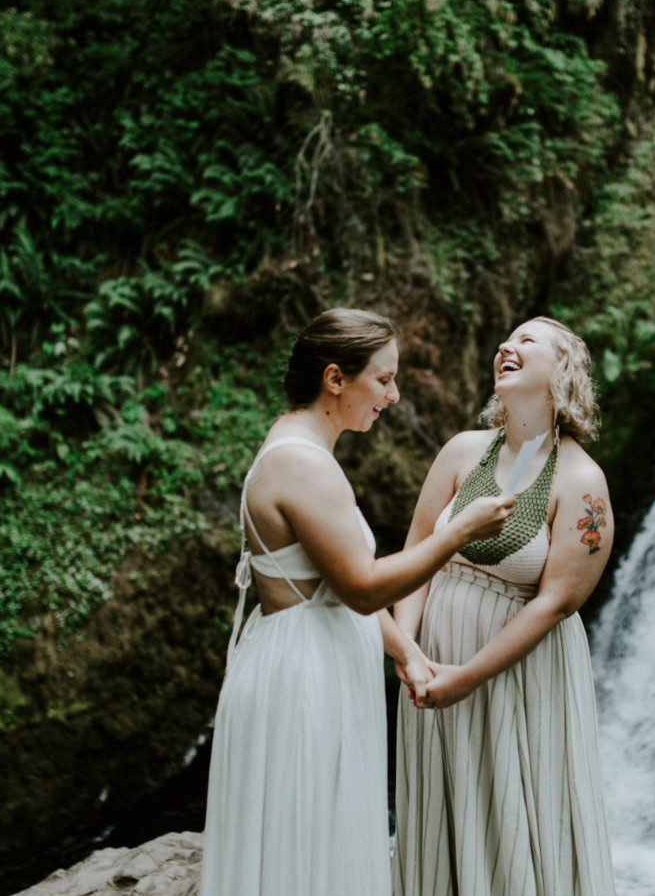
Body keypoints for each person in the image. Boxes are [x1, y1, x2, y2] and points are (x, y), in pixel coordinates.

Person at [199, 308, 515, 896]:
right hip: (301, 682)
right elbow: (361, 586)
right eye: (384, 379)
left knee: (313, 847)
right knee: (305, 850)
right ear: (335, 378)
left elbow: (330, 586)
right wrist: (457, 532)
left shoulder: (300, 447)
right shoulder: (299, 462)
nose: (393, 396)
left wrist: (404, 652)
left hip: (306, 660)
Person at [391, 316, 617, 896]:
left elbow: (555, 605)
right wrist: (407, 649)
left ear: (561, 372)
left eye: (526, 340)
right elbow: (418, 551)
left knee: (514, 807)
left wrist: (468, 677)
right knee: (441, 806)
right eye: (505, 340)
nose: (506, 347)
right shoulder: (463, 451)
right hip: (430, 662)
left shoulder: (581, 481)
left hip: (512, 675)